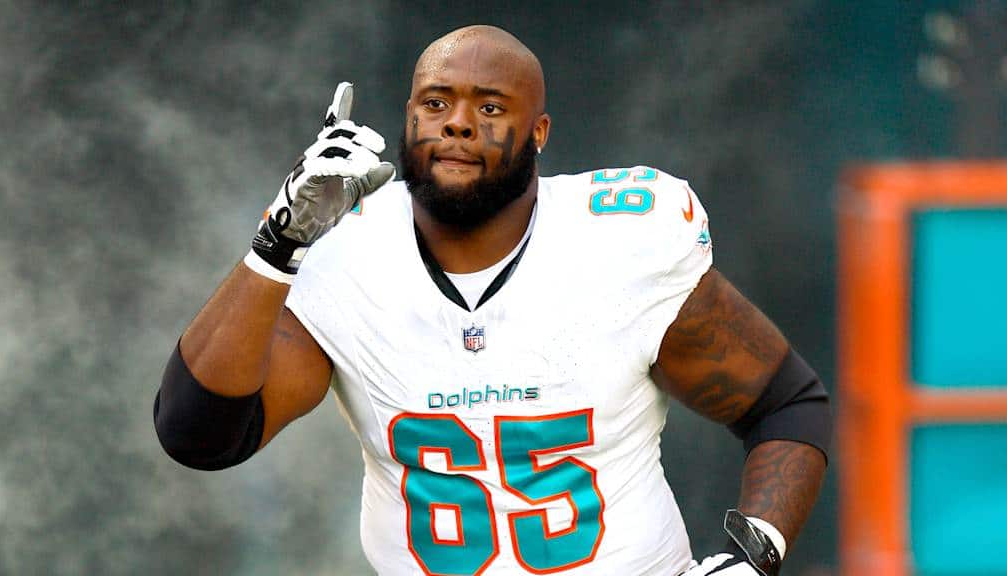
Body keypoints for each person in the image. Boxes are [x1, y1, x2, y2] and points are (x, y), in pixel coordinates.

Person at [154, 25, 830, 576]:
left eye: (490, 107)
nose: (457, 125)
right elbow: (200, 437)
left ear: (538, 133)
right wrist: (278, 243)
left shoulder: (624, 243)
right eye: (436, 103)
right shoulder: (343, 247)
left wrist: (752, 557)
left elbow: (785, 406)